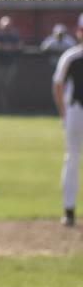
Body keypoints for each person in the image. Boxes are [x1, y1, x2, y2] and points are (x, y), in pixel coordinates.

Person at [52, 14, 83, 227]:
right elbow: (58, 85)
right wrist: (64, 114)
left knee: (72, 158)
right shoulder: (72, 57)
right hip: (76, 110)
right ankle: (69, 209)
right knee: (72, 158)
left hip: (74, 111)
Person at [0, 15, 21, 111]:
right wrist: (7, 47)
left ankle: (9, 106)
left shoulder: (14, 35)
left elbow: (19, 46)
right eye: (5, 26)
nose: (7, 28)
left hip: (11, 64)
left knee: (9, 85)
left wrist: (6, 47)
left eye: (8, 26)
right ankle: (1, 106)